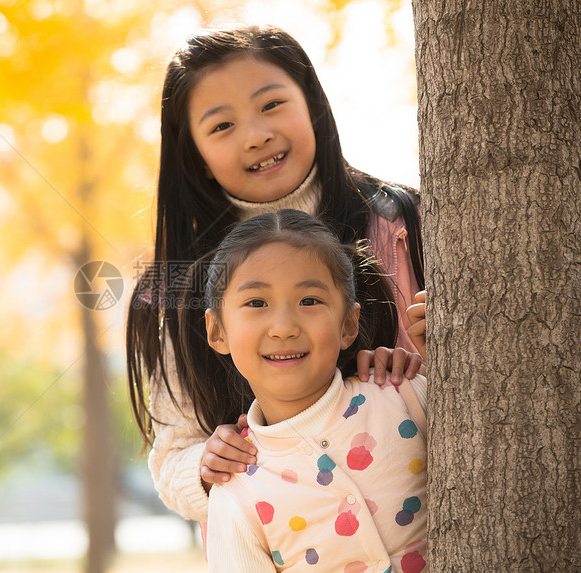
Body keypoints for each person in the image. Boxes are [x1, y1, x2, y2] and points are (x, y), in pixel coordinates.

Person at [126, 24, 425, 523]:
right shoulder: (181, 292)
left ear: (312, 104)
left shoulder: (404, 225)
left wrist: (437, 353)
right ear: (194, 155)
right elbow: (171, 456)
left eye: (271, 105)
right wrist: (206, 465)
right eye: (221, 126)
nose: (257, 135)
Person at [191, 209, 427, 572]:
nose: (283, 327)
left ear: (349, 323)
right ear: (217, 331)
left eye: (309, 301)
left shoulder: (404, 396)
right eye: (257, 303)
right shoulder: (236, 491)